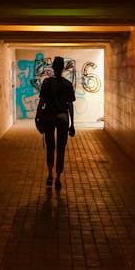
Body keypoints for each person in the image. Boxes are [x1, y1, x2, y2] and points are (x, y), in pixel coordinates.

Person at [35, 56, 76, 189]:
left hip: (49, 117)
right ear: (63, 67)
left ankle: (50, 175)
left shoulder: (47, 83)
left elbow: (42, 102)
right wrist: (72, 124)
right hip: (63, 118)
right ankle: (58, 178)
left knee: (50, 147)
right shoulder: (68, 84)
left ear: (53, 67)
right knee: (61, 148)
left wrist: (37, 116)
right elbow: (70, 105)